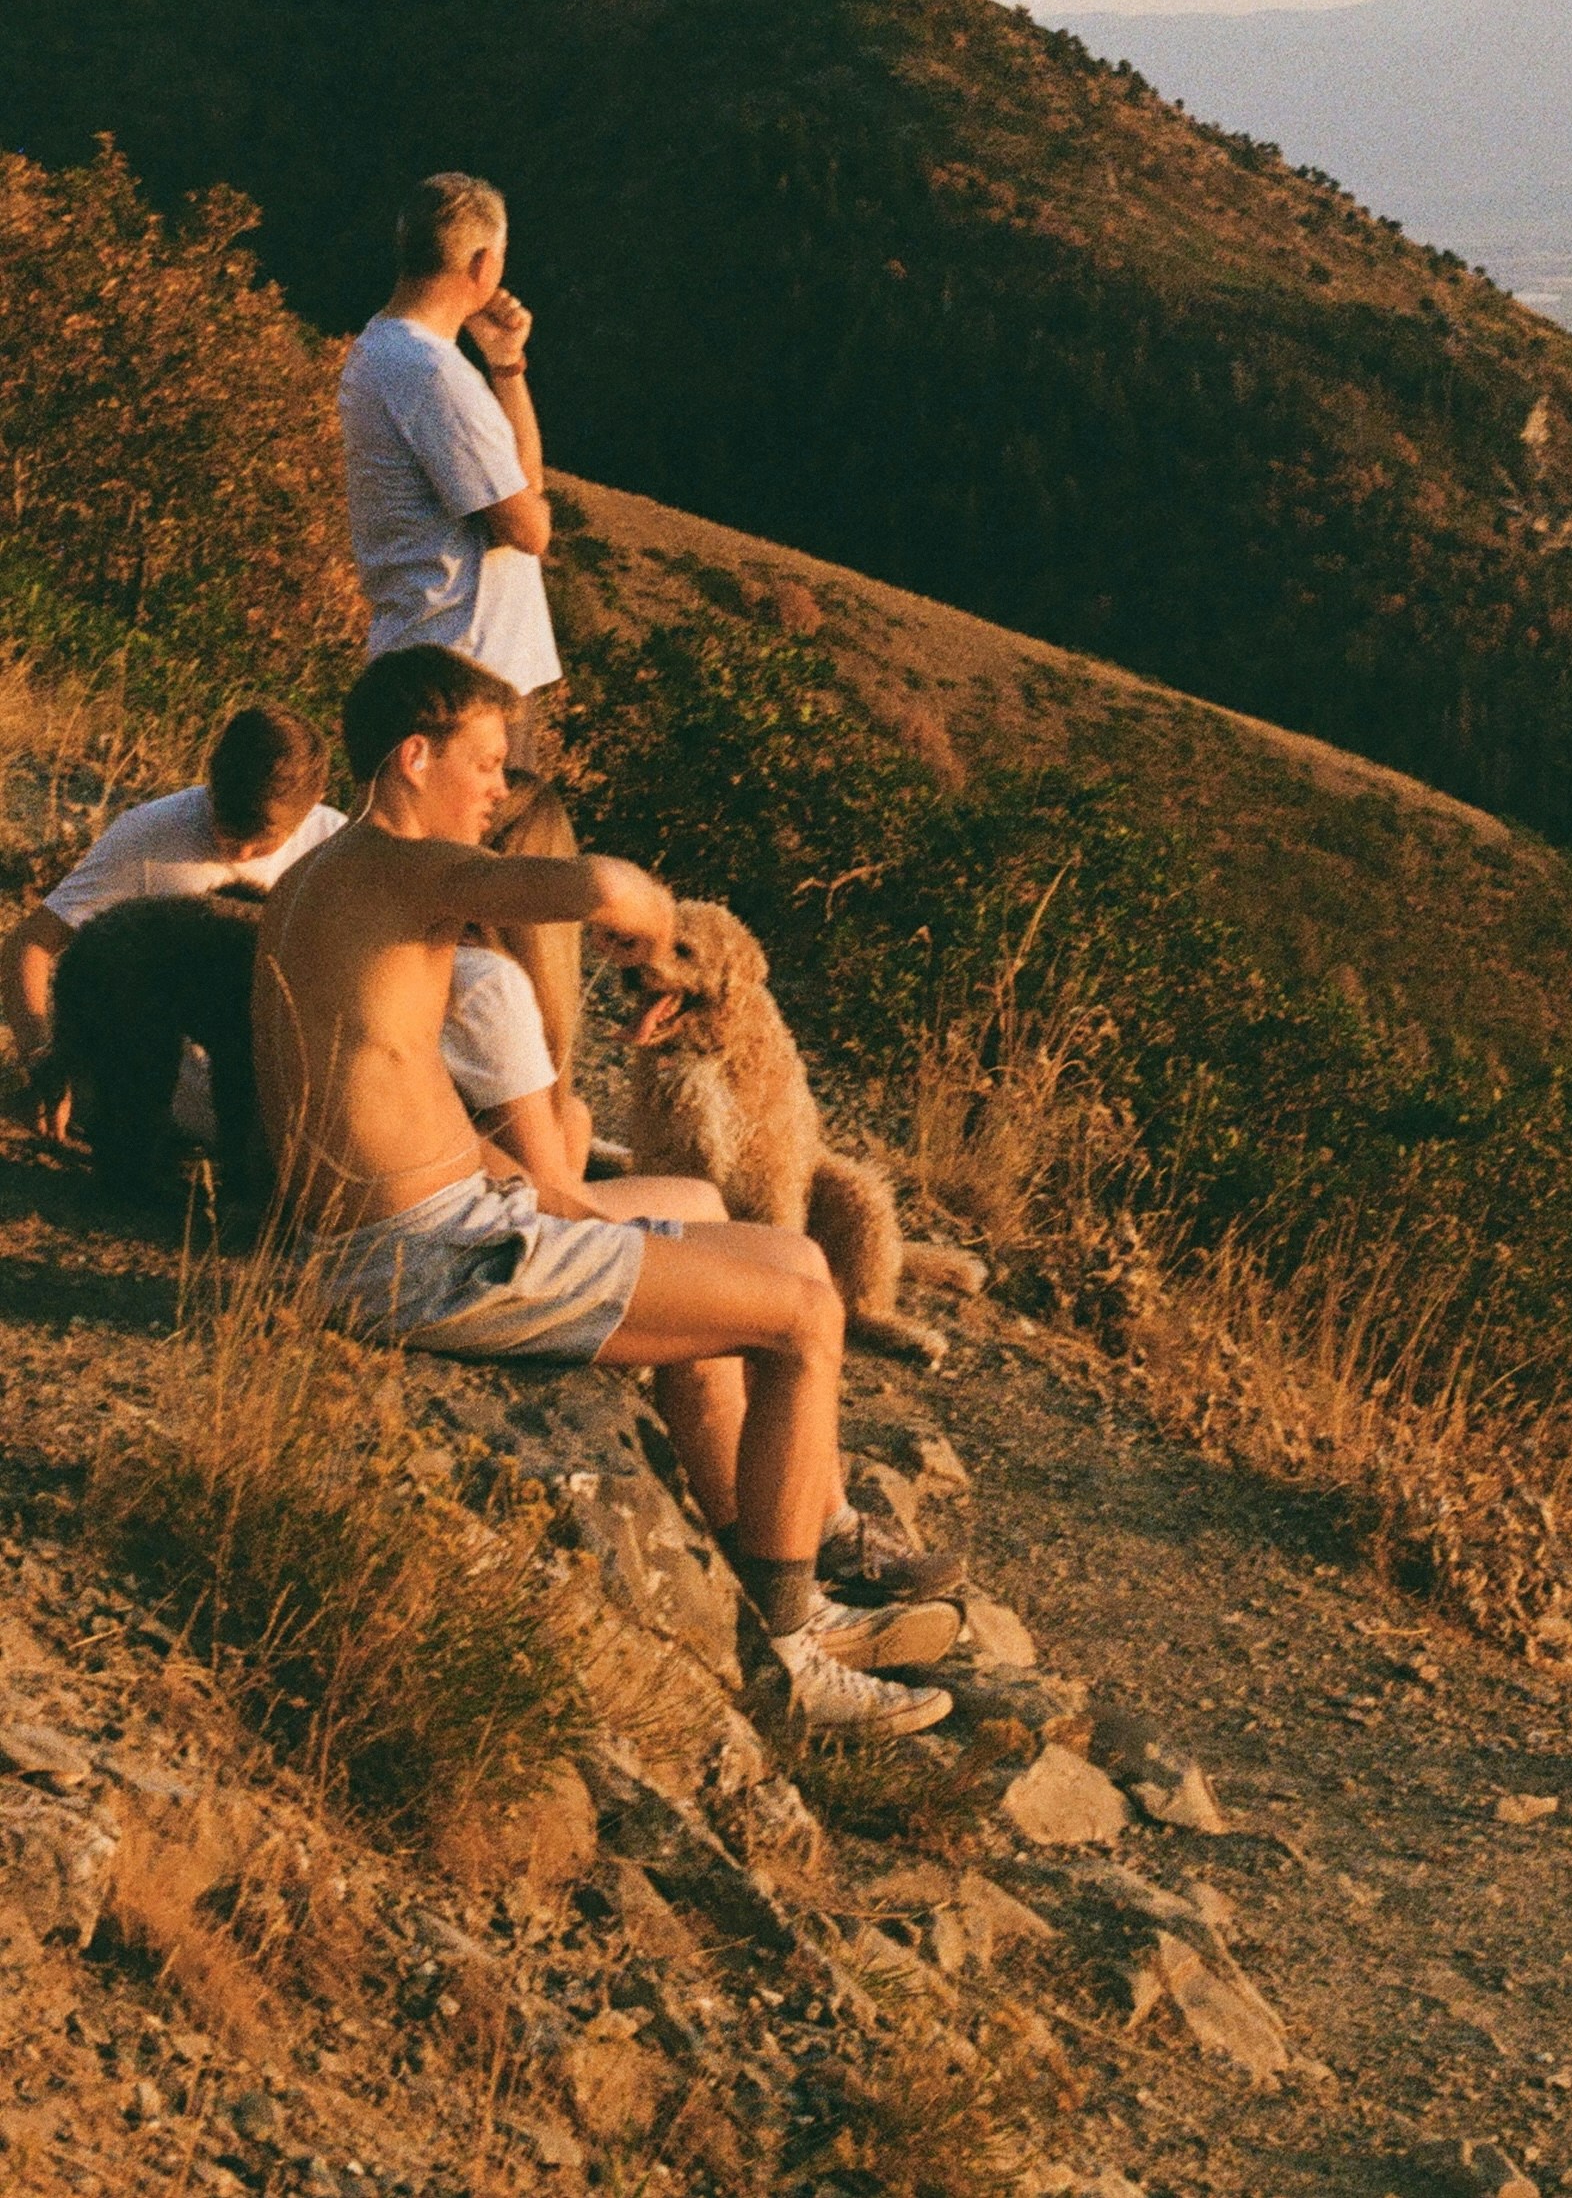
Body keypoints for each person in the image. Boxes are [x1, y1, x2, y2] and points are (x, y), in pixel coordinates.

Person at [254, 644, 953, 1732]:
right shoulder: (402, 865)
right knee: (808, 1314)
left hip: (442, 1226)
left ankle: (782, 1571)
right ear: (413, 754)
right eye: (488, 762)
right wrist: (647, 918)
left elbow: (389, 1100)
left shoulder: (322, 880)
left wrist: (546, 1194)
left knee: (792, 1257)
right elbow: (600, 885)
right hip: (432, 1261)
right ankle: (788, 1656)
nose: (498, 788)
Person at [3, 705, 343, 1138]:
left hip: (271, 1110)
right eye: (225, 826)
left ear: (312, 807)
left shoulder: (335, 850)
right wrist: (43, 1056)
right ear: (211, 782)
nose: (236, 854)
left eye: (259, 842)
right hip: (145, 1098)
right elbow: (30, 943)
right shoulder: (151, 832)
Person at [336, 174, 561, 765]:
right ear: (484, 264)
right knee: (482, 854)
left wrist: (506, 364)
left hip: (423, 650)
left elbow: (518, 486)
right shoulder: (433, 374)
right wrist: (529, 502)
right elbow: (529, 528)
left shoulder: (379, 350)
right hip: (470, 676)